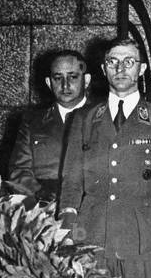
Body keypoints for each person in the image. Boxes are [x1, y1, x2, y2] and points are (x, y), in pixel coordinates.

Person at [58, 38, 151, 278]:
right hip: (93, 236)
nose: (121, 68)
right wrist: (66, 238)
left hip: (144, 239)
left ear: (141, 69)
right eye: (113, 62)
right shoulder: (84, 119)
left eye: (129, 62)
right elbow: (72, 183)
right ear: (103, 69)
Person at [8, 50, 90, 204]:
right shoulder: (32, 122)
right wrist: (41, 195)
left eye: (73, 77)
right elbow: (18, 172)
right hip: (43, 207)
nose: (65, 85)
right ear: (48, 83)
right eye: (58, 78)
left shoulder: (105, 117)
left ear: (86, 80)